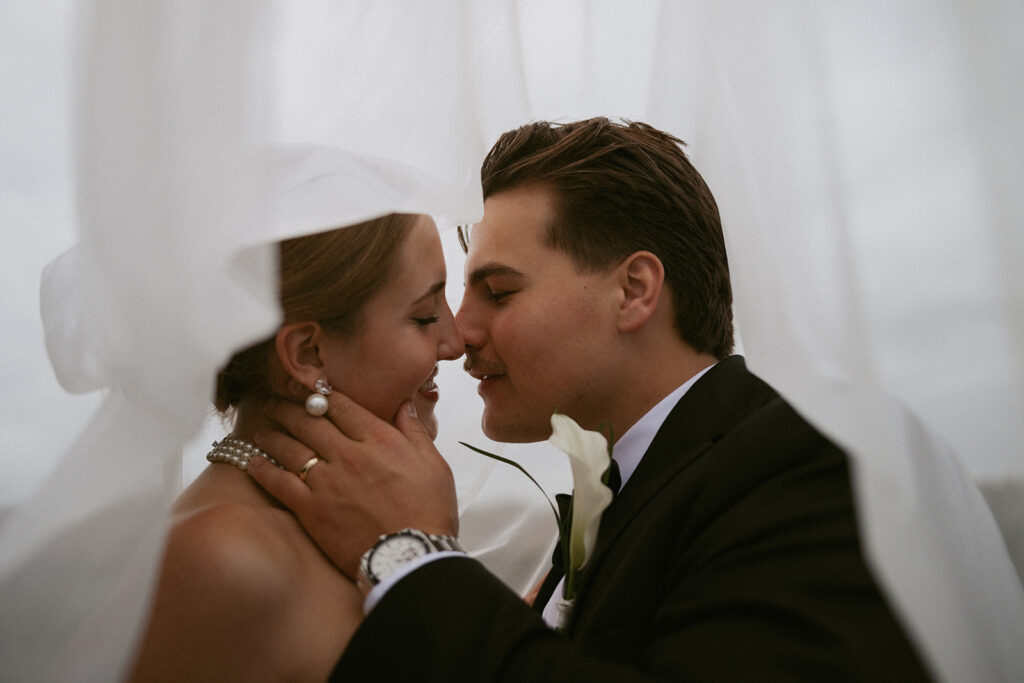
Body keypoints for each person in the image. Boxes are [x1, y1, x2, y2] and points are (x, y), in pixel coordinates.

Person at [247, 118, 931, 680]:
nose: (461, 335)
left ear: (634, 290)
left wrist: (413, 556)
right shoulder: (627, 488)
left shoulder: (796, 466)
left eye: (500, 291)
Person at [128, 212, 463, 681]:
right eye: (425, 316)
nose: (456, 341)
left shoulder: (373, 516)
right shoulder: (219, 558)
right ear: (308, 354)